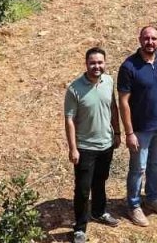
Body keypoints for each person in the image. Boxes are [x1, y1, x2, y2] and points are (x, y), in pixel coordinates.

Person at [64, 47, 122, 243]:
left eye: (100, 62)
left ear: (104, 63)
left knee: (101, 181)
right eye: (92, 63)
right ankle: (79, 228)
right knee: (82, 188)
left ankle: (98, 212)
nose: (97, 66)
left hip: (106, 143)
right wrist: (73, 148)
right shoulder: (74, 89)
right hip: (85, 147)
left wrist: (117, 132)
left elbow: (113, 107)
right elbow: (69, 119)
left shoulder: (109, 81)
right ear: (86, 64)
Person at [118, 25, 157, 227]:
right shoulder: (129, 67)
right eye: (146, 38)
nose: (150, 42)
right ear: (140, 40)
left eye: (154, 38)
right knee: (138, 168)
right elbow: (123, 101)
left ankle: (152, 197)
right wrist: (129, 132)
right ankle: (133, 205)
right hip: (140, 129)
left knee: (156, 164)